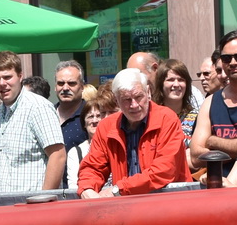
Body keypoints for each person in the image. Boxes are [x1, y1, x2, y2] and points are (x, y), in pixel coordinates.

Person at [77, 68, 189, 199]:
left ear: (148, 92)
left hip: (169, 205)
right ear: (117, 100)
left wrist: (119, 189)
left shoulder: (167, 119)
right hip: (126, 207)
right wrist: (87, 189)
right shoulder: (106, 127)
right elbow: (92, 167)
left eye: (138, 97)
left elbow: (164, 171)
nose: (134, 105)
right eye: (126, 99)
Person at [0, 50, 65, 192]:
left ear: (20, 76)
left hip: (34, 207)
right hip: (6, 205)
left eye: (7, 77)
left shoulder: (37, 107)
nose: (2, 83)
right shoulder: (3, 109)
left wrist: (44, 198)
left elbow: (58, 155)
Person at [191, 31, 237, 168]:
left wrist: (213, 141)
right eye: (226, 58)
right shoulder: (210, 102)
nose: (233, 62)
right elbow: (195, 156)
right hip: (217, 185)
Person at [65, 93, 114, 191]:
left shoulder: (115, 146)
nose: (95, 120)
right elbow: (73, 187)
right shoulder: (75, 153)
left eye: (99, 116)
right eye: (90, 116)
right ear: (84, 123)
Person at [155, 58, 198, 141]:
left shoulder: (197, 118)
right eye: (170, 80)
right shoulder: (152, 117)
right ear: (161, 84)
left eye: (181, 80)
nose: (176, 84)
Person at [53, 60, 89, 152]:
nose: (65, 88)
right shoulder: (46, 114)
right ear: (55, 87)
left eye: (71, 83)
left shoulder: (91, 115)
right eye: (60, 83)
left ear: (82, 87)